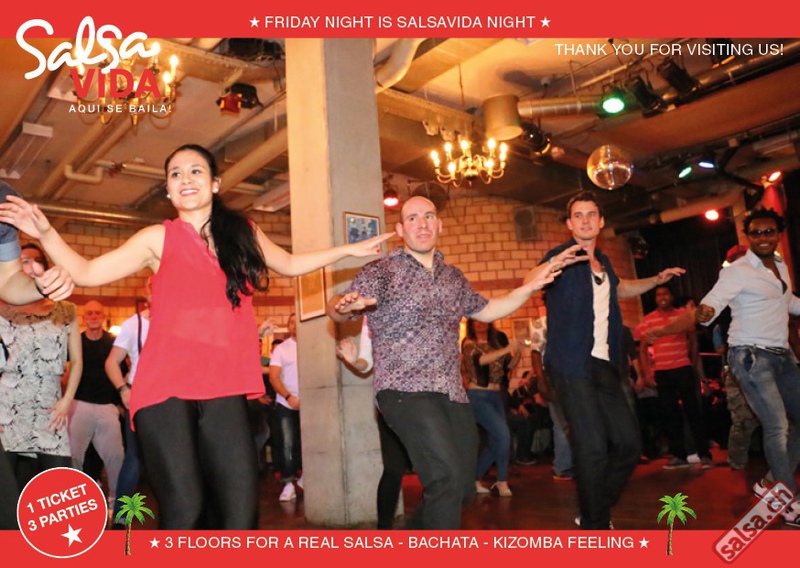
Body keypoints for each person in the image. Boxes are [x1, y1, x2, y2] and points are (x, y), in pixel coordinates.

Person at [0, 143, 393, 529]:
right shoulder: (158, 238)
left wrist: (348, 250)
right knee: (185, 509)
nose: (185, 179)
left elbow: (290, 263)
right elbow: (87, 273)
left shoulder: (243, 234)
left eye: (195, 171)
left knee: (240, 515)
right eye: (175, 174)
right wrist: (46, 233)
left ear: (215, 183)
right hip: (164, 388)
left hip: (224, 385)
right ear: (169, 191)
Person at [327, 195, 584, 529]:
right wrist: (344, 305)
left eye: (429, 216)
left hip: (452, 393)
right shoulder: (382, 272)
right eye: (413, 218)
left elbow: (489, 310)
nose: (422, 223)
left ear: (439, 225)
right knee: (444, 479)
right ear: (401, 230)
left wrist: (531, 286)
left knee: (462, 489)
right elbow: (340, 307)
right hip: (403, 390)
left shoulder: (453, 277)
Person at [541, 190, 684, 530]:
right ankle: (595, 524)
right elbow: (532, 279)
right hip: (571, 365)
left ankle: (593, 509)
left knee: (629, 446)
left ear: (601, 221)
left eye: (591, 214)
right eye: (578, 215)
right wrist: (548, 268)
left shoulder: (603, 262)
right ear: (569, 223)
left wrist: (655, 280)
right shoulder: (561, 257)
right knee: (592, 447)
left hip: (605, 364)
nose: (585, 220)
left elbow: (620, 288)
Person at [694, 209, 800, 527]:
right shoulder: (738, 271)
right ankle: (787, 501)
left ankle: (769, 484)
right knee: (777, 426)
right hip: (750, 356)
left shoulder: (780, 265)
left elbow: (787, 302)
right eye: (756, 233)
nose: (763, 237)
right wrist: (705, 311)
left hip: (782, 355)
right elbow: (713, 301)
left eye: (769, 232)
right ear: (748, 236)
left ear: (779, 233)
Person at [0, 181, 75, 530]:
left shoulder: (4, 200)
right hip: (13, 405)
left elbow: (8, 283)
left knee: (11, 517)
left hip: (44, 406)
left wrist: (37, 286)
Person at [0, 244, 82, 491]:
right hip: (8, 408)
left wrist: (67, 400)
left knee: (58, 488)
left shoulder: (66, 310)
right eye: (23, 260)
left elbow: (77, 361)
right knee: (9, 492)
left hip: (50, 410)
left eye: (36, 260)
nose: (31, 266)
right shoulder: (2, 309)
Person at [336, 316, 412, 529]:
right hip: (390, 404)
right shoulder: (372, 315)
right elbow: (366, 362)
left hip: (426, 402)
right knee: (393, 469)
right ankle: (383, 532)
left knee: (433, 472)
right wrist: (353, 361)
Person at [636, 284, 713, 469]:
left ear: (672, 296)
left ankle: (704, 454)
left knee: (693, 412)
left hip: (682, 368)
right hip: (662, 371)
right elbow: (643, 348)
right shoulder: (648, 319)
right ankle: (679, 455)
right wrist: (646, 373)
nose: (662, 297)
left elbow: (693, 341)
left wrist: (692, 363)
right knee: (670, 415)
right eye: (658, 294)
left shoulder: (683, 316)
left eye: (665, 294)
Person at [68, 300, 124, 512]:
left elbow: (124, 373)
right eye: (89, 313)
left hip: (107, 407)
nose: (93, 316)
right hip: (79, 405)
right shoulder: (76, 341)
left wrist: (120, 403)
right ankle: (74, 505)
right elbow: (60, 369)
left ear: (103, 316)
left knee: (116, 457)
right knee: (73, 457)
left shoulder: (114, 343)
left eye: (97, 313)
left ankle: (117, 506)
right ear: (84, 317)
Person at [105, 279, 151, 528]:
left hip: (172, 398)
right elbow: (112, 362)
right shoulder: (134, 324)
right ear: (147, 291)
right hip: (140, 394)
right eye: (153, 286)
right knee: (133, 458)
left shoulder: (179, 318)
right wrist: (123, 390)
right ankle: (121, 520)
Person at [461, 319, 521, 497]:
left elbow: (509, 366)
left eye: (484, 321)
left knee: (498, 440)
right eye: (477, 322)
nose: (481, 324)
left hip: (496, 395)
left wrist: (518, 352)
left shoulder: (495, 344)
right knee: (503, 435)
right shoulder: (469, 344)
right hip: (478, 395)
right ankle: (502, 481)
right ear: (471, 325)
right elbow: (481, 360)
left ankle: (474, 479)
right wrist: (508, 348)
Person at [528, 315, 574, 480]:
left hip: (576, 375)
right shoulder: (542, 322)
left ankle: (577, 462)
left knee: (577, 422)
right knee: (562, 423)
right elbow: (535, 353)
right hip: (554, 377)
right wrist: (542, 382)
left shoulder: (573, 317)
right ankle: (563, 466)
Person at [269, 313, 303, 502]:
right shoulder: (281, 349)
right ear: (288, 327)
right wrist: (289, 397)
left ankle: (306, 480)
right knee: (288, 444)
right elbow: (274, 377)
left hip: (312, 405)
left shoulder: (313, 346)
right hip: (286, 403)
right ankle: (289, 484)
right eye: (291, 322)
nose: (295, 325)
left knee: (312, 444)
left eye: (298, 321)